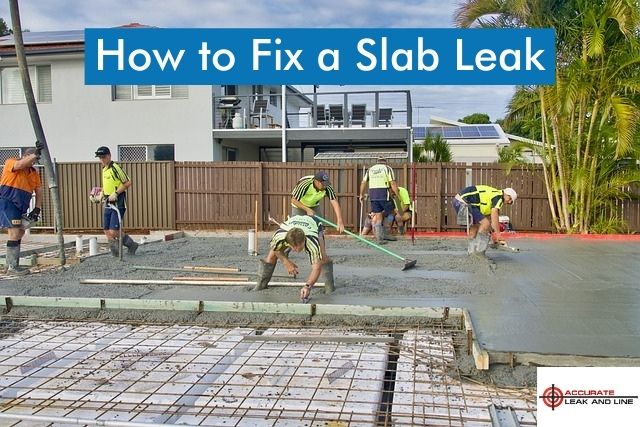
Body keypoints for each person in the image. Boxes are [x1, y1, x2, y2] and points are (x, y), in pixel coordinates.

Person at [255, 215, 334, 301]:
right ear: (288, 242)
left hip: (314, 223)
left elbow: (316, 268)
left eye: (299, 247)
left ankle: (329, 287)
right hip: (293, 221)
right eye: (293, 247)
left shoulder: (313, 242)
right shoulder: (279, 236)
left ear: (304, 241)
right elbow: (275, 249)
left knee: (323, 257)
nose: (296, 250)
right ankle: (261, 285)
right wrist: (286, 262)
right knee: (271, 256)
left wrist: (307, 286)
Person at [0, 146, 43, 275]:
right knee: (14, 232)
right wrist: (34, 155)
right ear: (26, 156)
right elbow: (19, 165)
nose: (33, 163)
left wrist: (37, 208)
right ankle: (12, 267)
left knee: (20, 232)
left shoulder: (33, 172)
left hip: (21, 205)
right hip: (9, 202)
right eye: (32, 160)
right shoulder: (11, 162)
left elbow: (39, 190)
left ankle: (10, 264)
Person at [95, 146, 138, 256]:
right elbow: (108, 185)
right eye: (100, 158)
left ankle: (131, 245)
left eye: (104, 157)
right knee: (106, 230)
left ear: (109, 156)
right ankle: (116, 254)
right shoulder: (104, 169)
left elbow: (127, 182)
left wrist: (116, 193)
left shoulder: (115, 168)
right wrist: (101, 194)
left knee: (113, 231)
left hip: (118, 202)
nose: (102, 160)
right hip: (108, 202)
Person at [452, 185, 517, 255]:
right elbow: (494, 215)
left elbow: (490, 219)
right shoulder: (498, 197)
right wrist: (498, 235)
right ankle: (478, 251)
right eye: (510, 199)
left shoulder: (492, 196)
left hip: (458, 201)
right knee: (485, 223)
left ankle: (471, 252)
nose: (509, 202)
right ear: (506, 194)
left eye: (511, 202)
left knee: (476, 226)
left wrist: (493, 236)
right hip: (464, 201)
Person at [359, 157, 399, 244]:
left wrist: (361, 195)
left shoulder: (370, 169)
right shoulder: (387, 168)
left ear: (377, 162)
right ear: (385, 162)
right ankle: (385, 233)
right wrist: (397, 194)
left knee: (378, 215)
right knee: (392, 211)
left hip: (373, 195)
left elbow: (363, 182)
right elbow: (392, 182)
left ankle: (379, 238)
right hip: (384, 193)